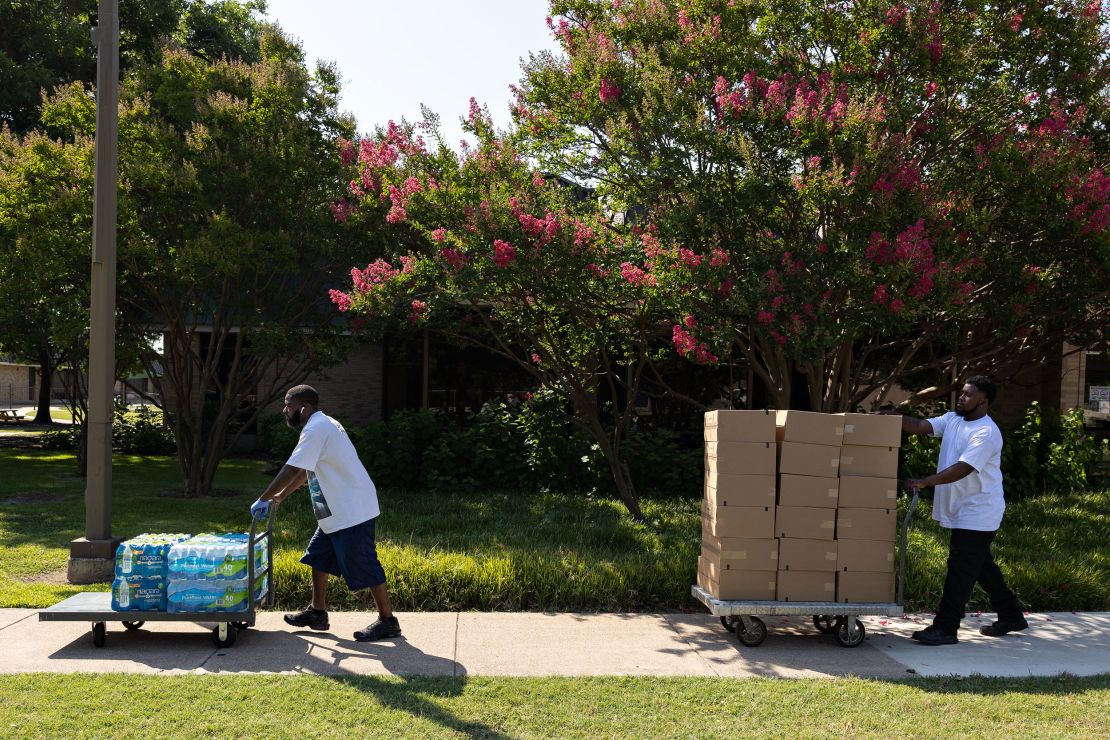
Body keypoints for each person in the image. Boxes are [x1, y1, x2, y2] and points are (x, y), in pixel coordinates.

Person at [252, 384, 401, 642]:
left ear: (303, 407)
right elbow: (303, 470)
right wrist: (280, 497)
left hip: (352, 509)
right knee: (318, 557)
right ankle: (317, 613)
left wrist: (263, 496)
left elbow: (290, 469)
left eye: (288, 405)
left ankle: (388, 621)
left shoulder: (317, 428)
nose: (284, 410)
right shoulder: (321, 425)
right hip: (335, 510)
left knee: (364, 562)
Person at [894, 375, 1027, 646]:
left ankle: (945, 628)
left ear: (983, 401)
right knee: (979, 565)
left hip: (979, 511)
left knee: (960, 568)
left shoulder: (986, 432)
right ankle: (1011, 614)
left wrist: (925, 481)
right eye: (962, 393)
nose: (961, 398)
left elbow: (963, 468)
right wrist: (892, 418)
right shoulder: (954, 419)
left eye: (968, 395)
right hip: (963, 508)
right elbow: (921, 425)